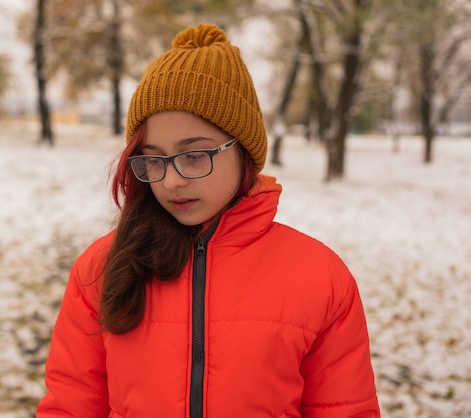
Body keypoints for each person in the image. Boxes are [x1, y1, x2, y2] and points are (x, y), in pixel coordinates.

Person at [36, 23, 380, 417]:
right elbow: (71, 405)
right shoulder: (99, 269)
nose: (172, 180)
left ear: (243, 151)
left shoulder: (321, 279)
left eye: (195, 155)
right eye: (153, 159)